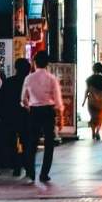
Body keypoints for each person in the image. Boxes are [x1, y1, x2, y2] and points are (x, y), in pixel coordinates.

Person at [21, 50, 64, 183]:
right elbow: (58, 100)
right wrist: (60, 117)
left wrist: (29, 107)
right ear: (47, 64)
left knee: (32, 143)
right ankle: (44, 174)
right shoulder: (52, 78)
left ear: (35, 63)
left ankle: (31, 173)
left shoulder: (29, 78)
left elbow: (23, 99)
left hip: (34, 111)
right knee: (49, 143)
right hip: (48, 112)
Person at [0, 57, 31, 175]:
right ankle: (27, 166)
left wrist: (2, 116)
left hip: (10, 118)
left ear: (16, 68)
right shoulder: (29, 83)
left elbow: (2, 101)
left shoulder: (8, 82)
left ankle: (16, 167)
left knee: (12, 143)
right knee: (26, 142)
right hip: (25, 117)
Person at [82, 62, 102, 141]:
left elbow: (87, 90)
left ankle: (93, 132)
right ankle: (97, 132)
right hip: (101, 102)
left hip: (91, 101)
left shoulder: (89, 79)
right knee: (100, 117)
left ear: (93, 69)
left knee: (93, 117)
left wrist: (84, 101)